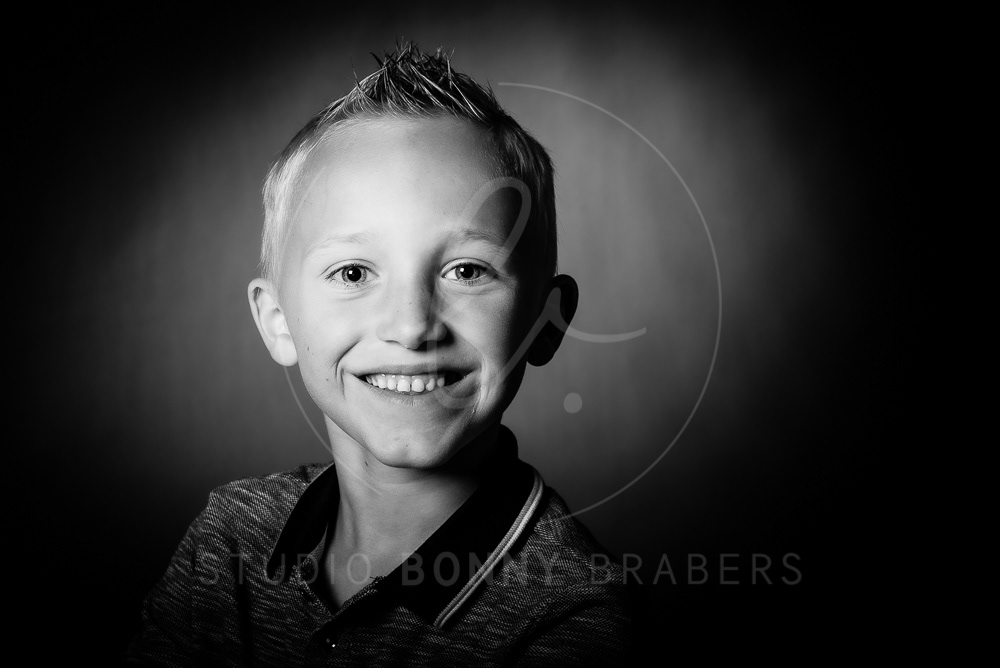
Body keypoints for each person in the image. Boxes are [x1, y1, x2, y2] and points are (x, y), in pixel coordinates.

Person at [128, 42, 633, 666]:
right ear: (277, 320)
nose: (411, 326)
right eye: (353, 273)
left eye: (467, 270)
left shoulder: (570, 618)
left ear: (546, 321)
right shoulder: (230, 538)